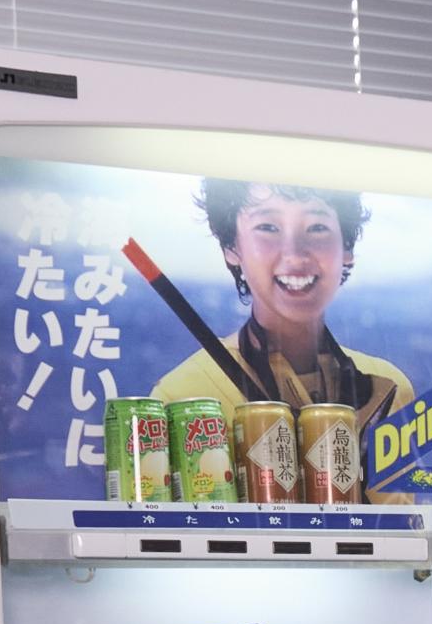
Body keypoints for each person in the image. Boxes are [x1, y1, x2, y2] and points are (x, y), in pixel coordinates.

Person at [152, 180, 415, 437]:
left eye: (317, 227)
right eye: (268, 227)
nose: (295, 255)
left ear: (346, 248)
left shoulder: (391, 391)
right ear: (231, 247)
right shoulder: (182, 395)